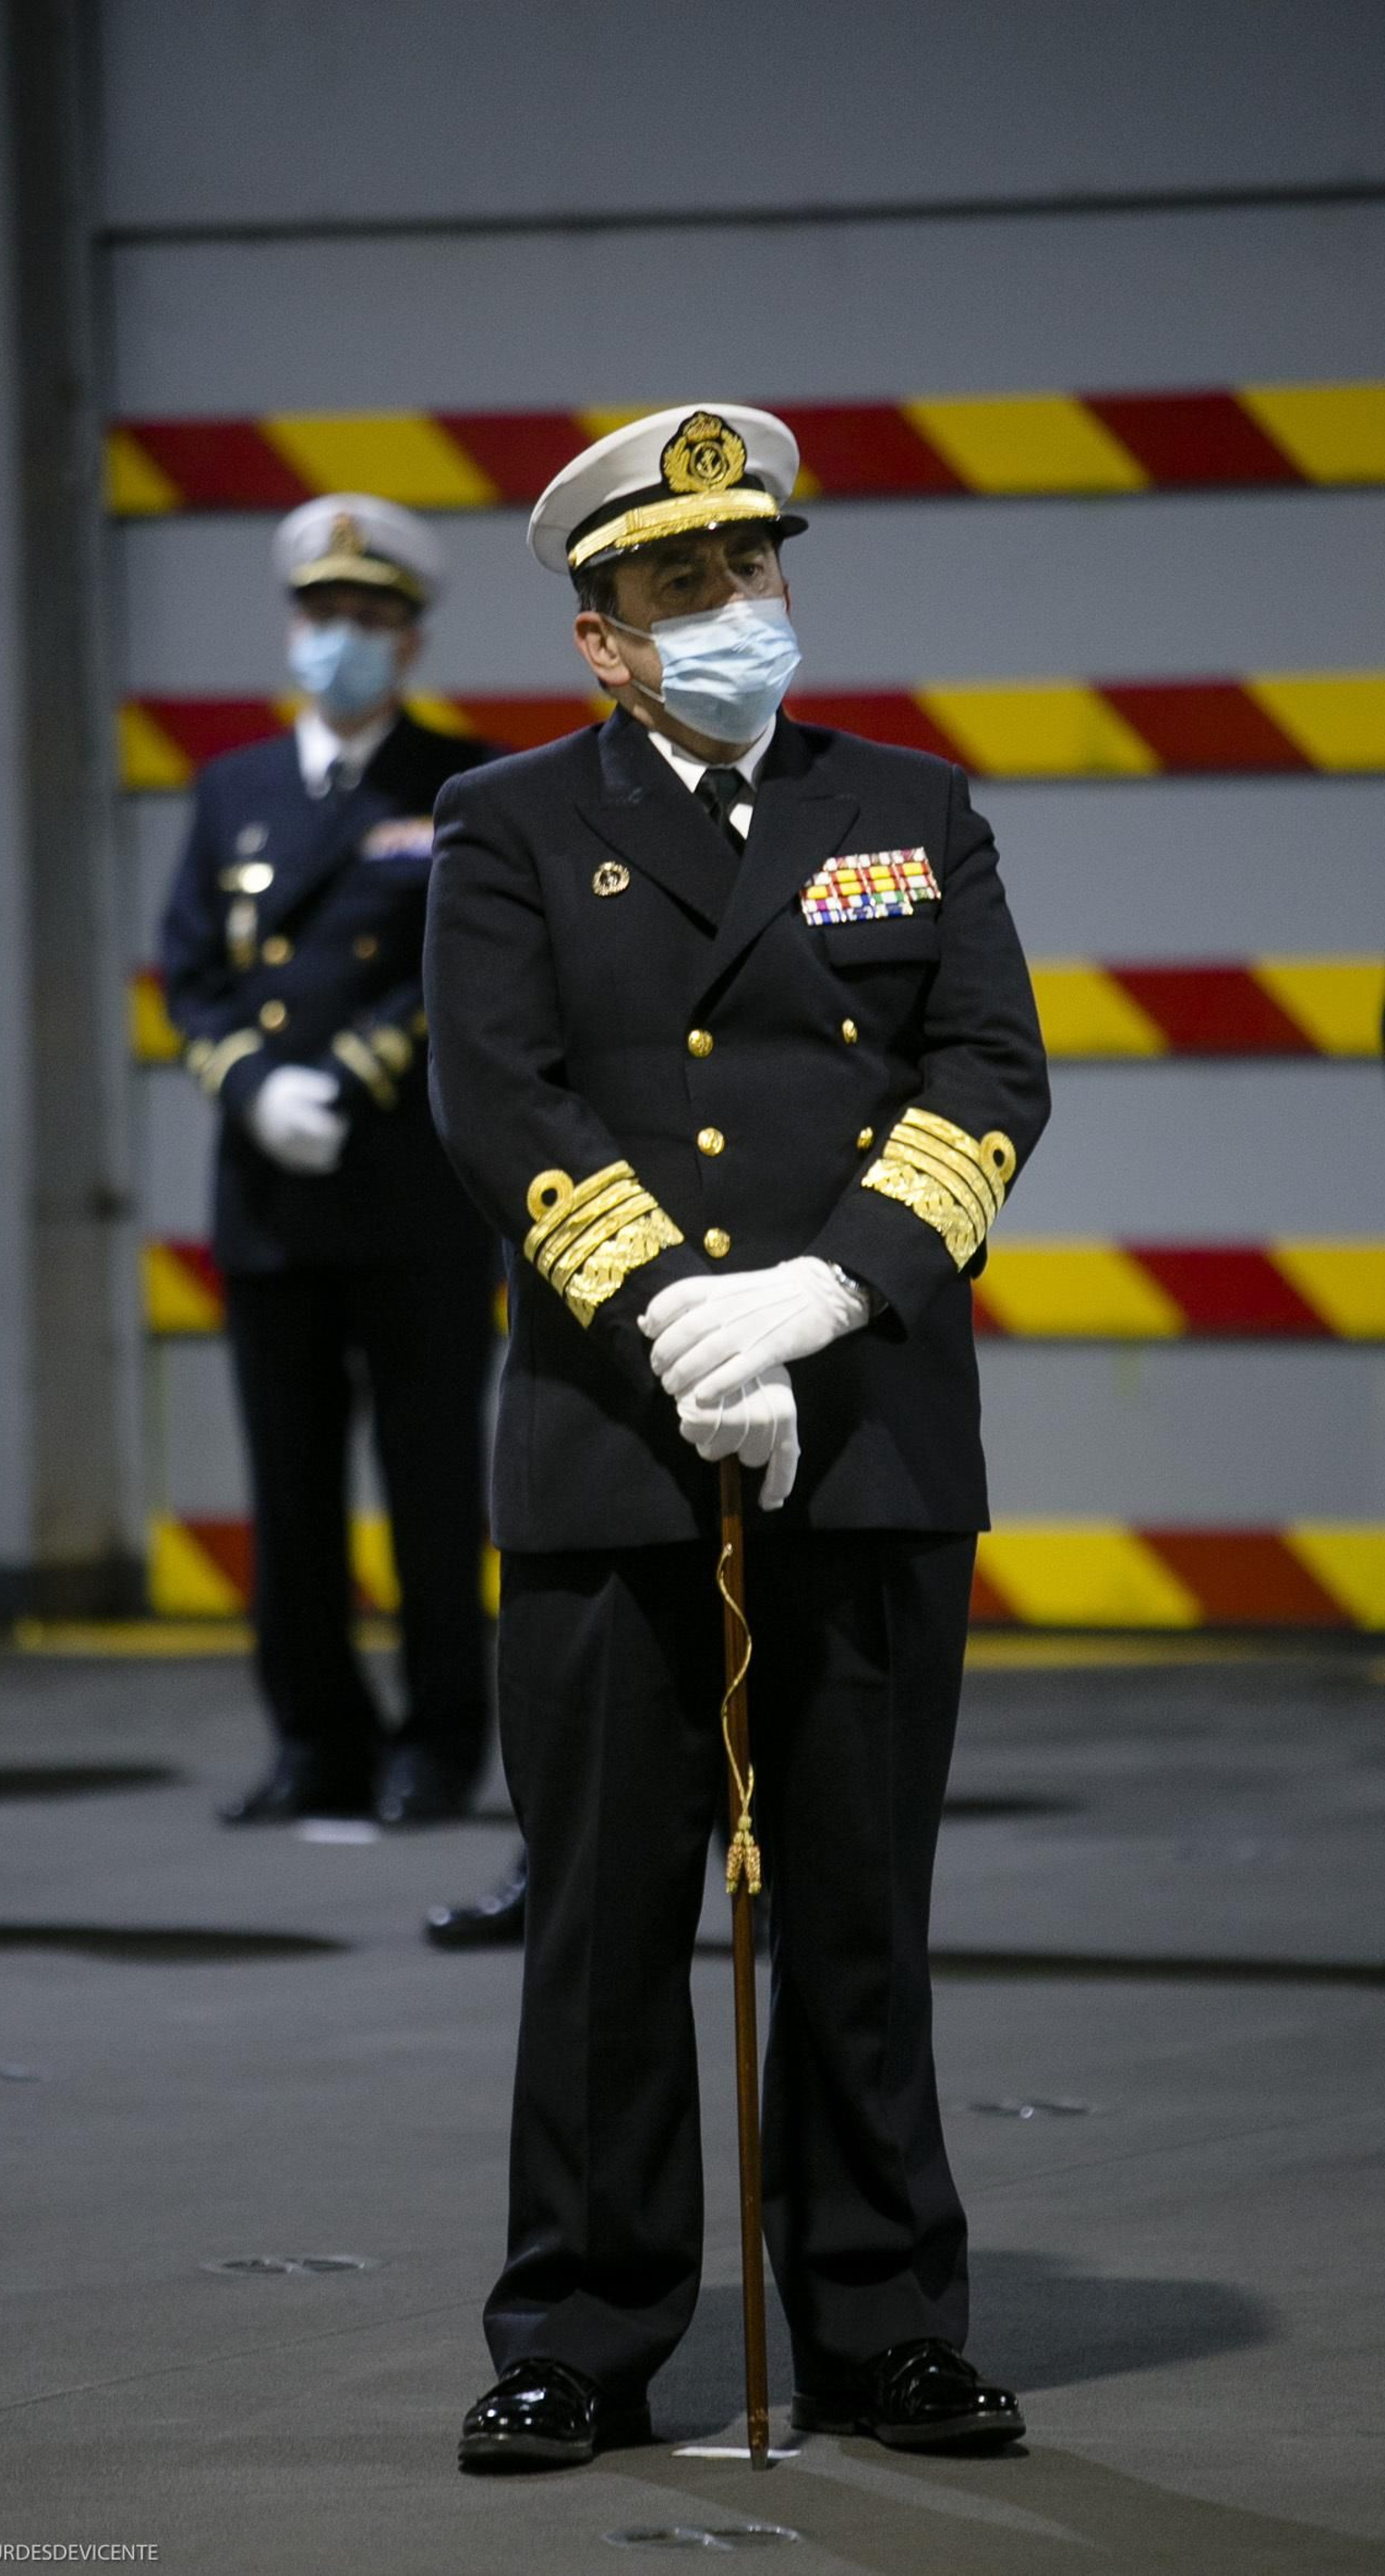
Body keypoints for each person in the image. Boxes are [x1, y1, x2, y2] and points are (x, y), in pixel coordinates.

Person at [424, 404, 1050, 2470]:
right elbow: (501, 1096)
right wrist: (675, 1308)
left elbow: (985, 1077)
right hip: (619, 1437)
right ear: (600, 636)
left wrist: (821, 1291)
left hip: (863, 1424)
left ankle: (881, 2321)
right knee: (606, 1913)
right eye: (683, 583)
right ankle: (579, 2335)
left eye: (752, 567)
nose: (733, 608)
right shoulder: (506, 824)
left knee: (857, 1903)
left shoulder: (911, 803)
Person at [161, 495, 495, 1827]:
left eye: (367, 619)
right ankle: (313, 1740)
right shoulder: (232, 789)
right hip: (271, 1200)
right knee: (288, 1496)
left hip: (411, 1193)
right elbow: (188, 975)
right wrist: (248, 1083)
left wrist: (349, 1073)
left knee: (430, 1492)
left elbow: (467, 966)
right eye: (321, 617)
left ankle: (440, 1743)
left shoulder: (460, 785)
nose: (339, 641)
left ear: (410, 639)